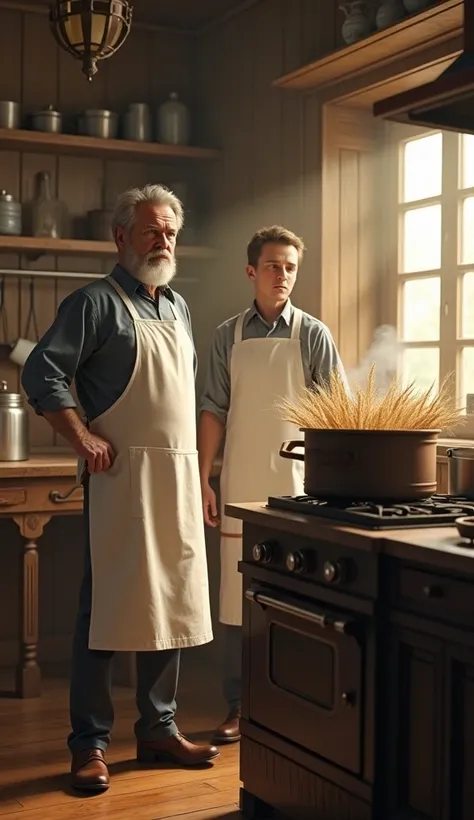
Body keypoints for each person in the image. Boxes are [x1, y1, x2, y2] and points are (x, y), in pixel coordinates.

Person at [21, 184, 217, 793]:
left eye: (170, 232)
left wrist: (203, 473)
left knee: (173, 605)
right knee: (106, 611)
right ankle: (91, 745)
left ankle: (158, 729)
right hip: (123, 480)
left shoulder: (179, 308)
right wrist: (80, 436)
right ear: (121, 237)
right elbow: (41, 370)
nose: (163, 241)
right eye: (152, 230)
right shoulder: (95, 303)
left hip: (178, 478)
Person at [198, 225, 347, 744]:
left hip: (298, 486)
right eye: (272, 266)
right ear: (251, 272)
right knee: (236, 598)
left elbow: (335, 417)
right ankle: (238, 707)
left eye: (289, 267)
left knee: (293, 595)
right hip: (239, 480)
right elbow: (213, 410)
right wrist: (203, 479)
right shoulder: (227, 336)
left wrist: (332, 489)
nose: (282, 275)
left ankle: (292, 703)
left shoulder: (313, 335)